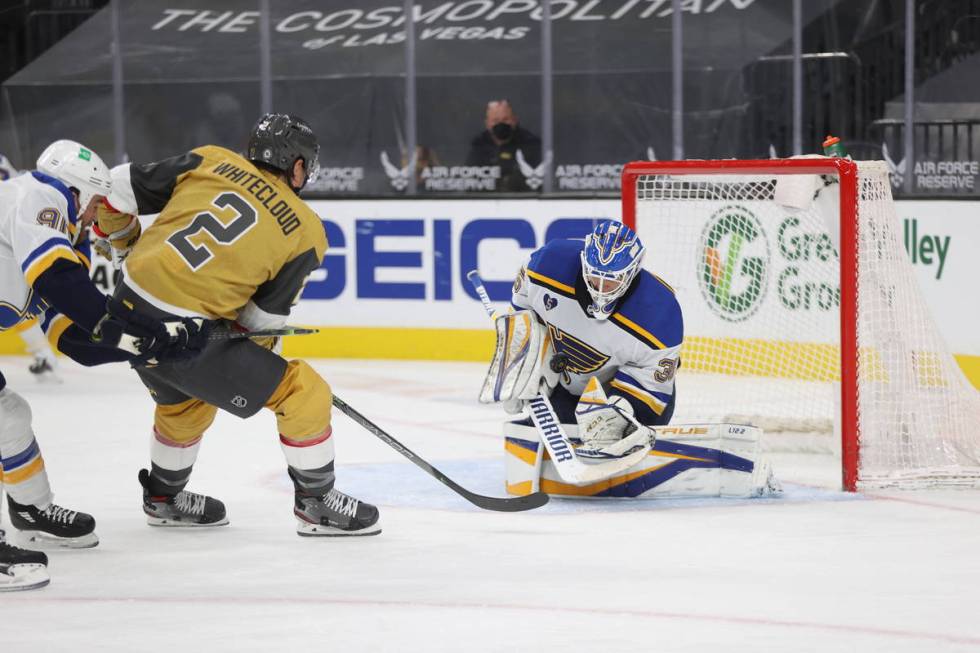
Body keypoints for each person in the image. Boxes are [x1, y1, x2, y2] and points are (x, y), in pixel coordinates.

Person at [94, 113, 380, 537]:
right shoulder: (306, 230)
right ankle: (317, 503)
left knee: (185, 404)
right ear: (297, 167)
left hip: (124, 313)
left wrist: (121, 244)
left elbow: (113, 188)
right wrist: (258, 366)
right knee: (303, 392)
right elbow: (259, 324)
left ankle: (163, 497)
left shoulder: (210, 160)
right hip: (185, 335)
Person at [0, 140, 205, 592]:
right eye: (95, 204)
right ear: (76, 190)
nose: (96, 217)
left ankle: (30, 509)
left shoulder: (39, 232)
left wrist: (150, 345)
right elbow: (66, 286)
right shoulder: (39, 197)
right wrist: (147, 334)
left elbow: (79, 340)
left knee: (7, 416)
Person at [501, 219, 682, 456]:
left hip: (636, 395)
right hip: (568, 383)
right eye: (596, 276)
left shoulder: (660, 313)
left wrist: (619, 412)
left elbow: (652, 384)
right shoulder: (546, 266)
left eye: (613, 280)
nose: (601, 288)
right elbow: (523, 313)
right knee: (543, 437)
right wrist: (523, 364)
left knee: (611, 431)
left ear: (632, 272)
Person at [465, 99, 542, 192]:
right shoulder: (479, 146)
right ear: (487, 124)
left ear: (514, 120)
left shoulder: (530, 144)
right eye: (495, 120)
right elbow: (470, 181)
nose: (501, 124)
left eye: (505, 119)